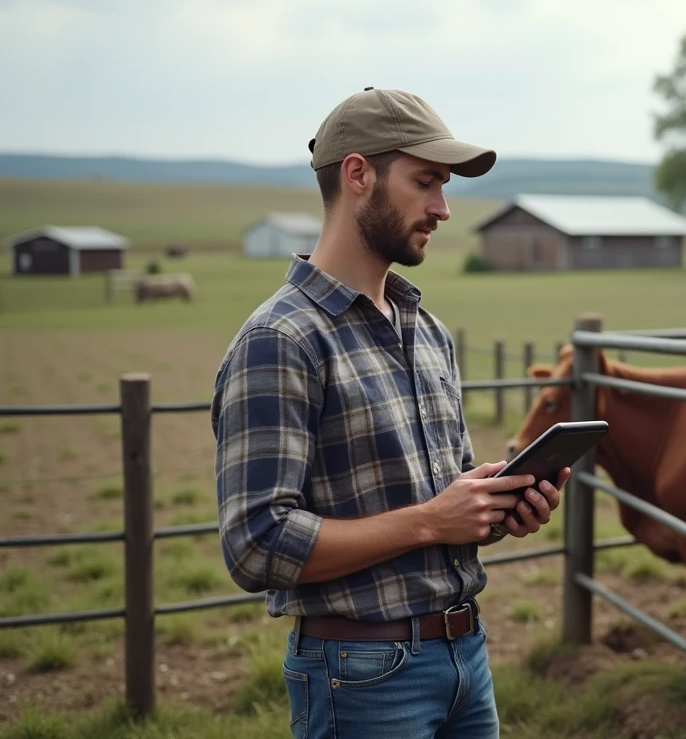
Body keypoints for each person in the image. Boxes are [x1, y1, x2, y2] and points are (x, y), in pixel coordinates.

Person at [210, 87, 569, 738]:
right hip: (360, 674)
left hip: (466, 658)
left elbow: (440, 510)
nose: (443, 208)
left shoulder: (426, 331)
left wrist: (493, 509)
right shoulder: (281, 339)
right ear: (358, 174)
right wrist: (433, 520)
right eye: (426, 182)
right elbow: (256, 544)